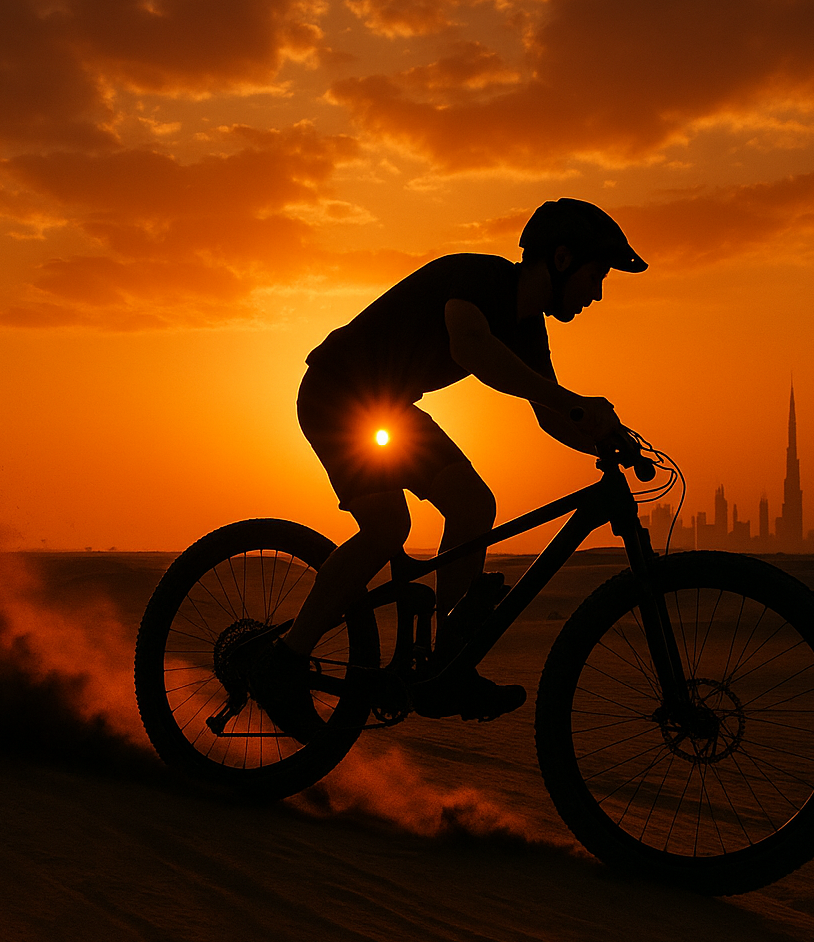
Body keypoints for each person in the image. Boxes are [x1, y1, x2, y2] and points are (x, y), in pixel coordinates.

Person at [251, 198, 647, 742]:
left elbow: (550, 415)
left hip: (386, 408)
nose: (598, 292)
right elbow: (473, 345)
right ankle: (283, 662)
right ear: (561, 259)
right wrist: (572, 400)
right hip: (338, 394)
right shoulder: (477, 277)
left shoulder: (530, 330)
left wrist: (602, 436)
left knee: (473, 504)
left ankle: (446, 663)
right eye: (597, 274)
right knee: (389, 527)